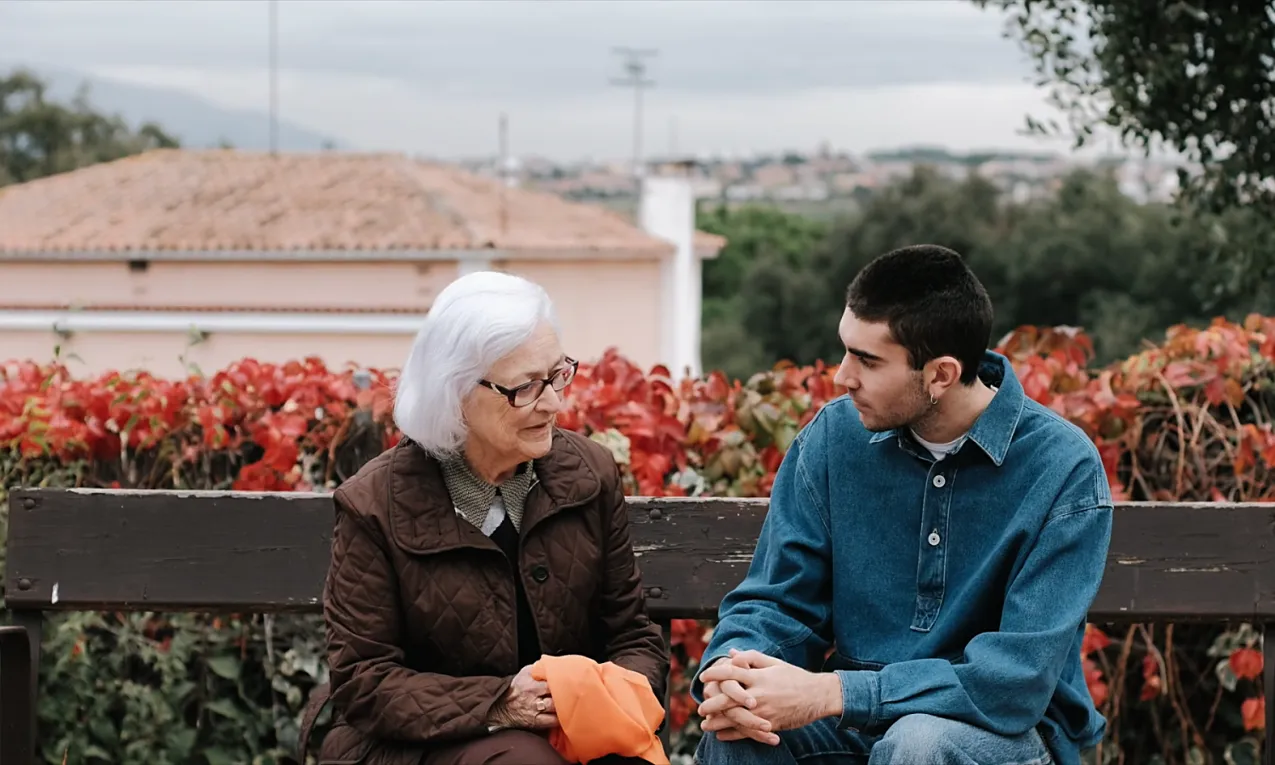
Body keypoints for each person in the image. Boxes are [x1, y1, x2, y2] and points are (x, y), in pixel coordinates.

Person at [692, 245, 1113, 765]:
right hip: (857, 726)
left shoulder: (1061, 467)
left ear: (940, 374)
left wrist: (836, 693)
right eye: (846, 349)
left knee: (919, 745)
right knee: (741, 736)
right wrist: (734, 675)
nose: (843, 377)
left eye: (867, 360)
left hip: (1002, 736)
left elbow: (1015, 681)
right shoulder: (831, 440)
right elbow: (777, 602)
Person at [307, 271, 669, 765]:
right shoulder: (373, 503)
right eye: (525, 387)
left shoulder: (589, 474)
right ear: (453, 392)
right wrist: (499, 702)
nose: (553, 404)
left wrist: (611, 699)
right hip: (411, 745)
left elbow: (632, 636)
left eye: (557, 375)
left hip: (564, 734)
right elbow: (364, 681)